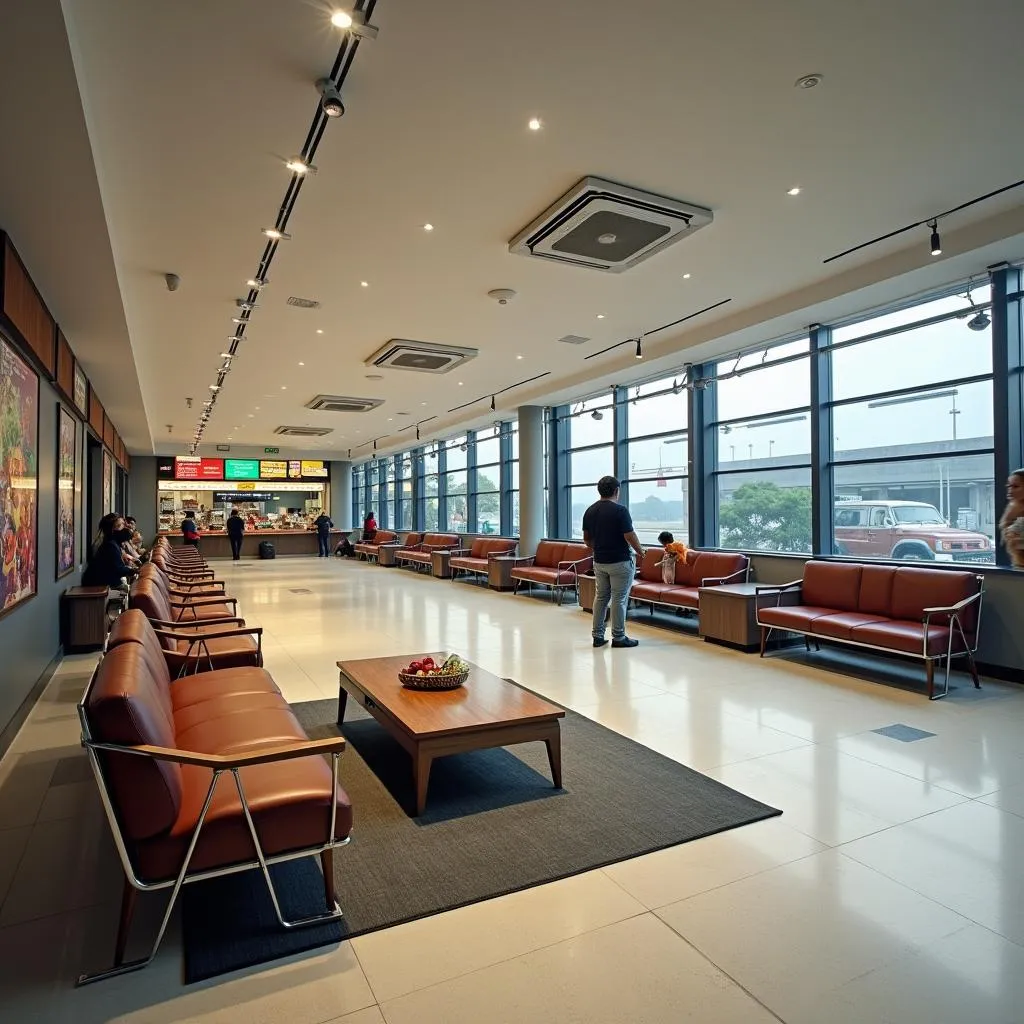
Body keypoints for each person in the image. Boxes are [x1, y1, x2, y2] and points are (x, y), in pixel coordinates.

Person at [582, 475, 644, 649]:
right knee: (619, 599)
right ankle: (618, 637)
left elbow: (587, 540)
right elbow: (629, 535)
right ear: (616, 491)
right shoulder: (620, 510)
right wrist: (640, 551)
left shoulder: (590, 511)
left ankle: (597, 636)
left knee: (601, 597)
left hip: (599, 562)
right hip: (620, 562)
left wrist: (601, 548)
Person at [82, 514, 138, 589]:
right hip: (100, 586)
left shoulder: (112, 543)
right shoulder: (110, 545)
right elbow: (118, 569)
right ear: (113, 529)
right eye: (122, 524)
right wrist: (135, 570)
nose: (127, 526)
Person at [998, 469, 1024, 569]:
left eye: (1016, 486)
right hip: (1018, 568)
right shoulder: (1012, 510)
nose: (1010, 490)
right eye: (1008, 486)